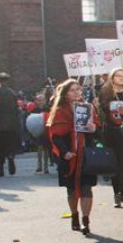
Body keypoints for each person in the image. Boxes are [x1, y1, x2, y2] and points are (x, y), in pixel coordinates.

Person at [46, 79, 98, 234]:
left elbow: (99, 131)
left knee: (87, 188)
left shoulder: (88, 108)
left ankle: (86, 220)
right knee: (72, 190)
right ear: (65, 93)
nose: (77, 92)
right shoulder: (60, 111)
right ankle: (75, 215)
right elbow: (56, 135)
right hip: (69, 155)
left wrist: (94, 128)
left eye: (78, 89)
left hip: (86, 154)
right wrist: (64, 152)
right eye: (72, 90)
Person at [96, 68, 123, 211]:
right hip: (111, 132)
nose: (121, 78)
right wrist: (98, 106)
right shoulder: (105, 92)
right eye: (118, 76)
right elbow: (104, 112)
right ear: (112, 78)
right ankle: (116, 193)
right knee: (114, 165)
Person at [0, 72, 20, 176]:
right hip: (10, 125)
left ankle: (0, 169)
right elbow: (16, 110)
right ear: (7, 81)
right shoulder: (12, 93)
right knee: (9, 145)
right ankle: (10, 157)